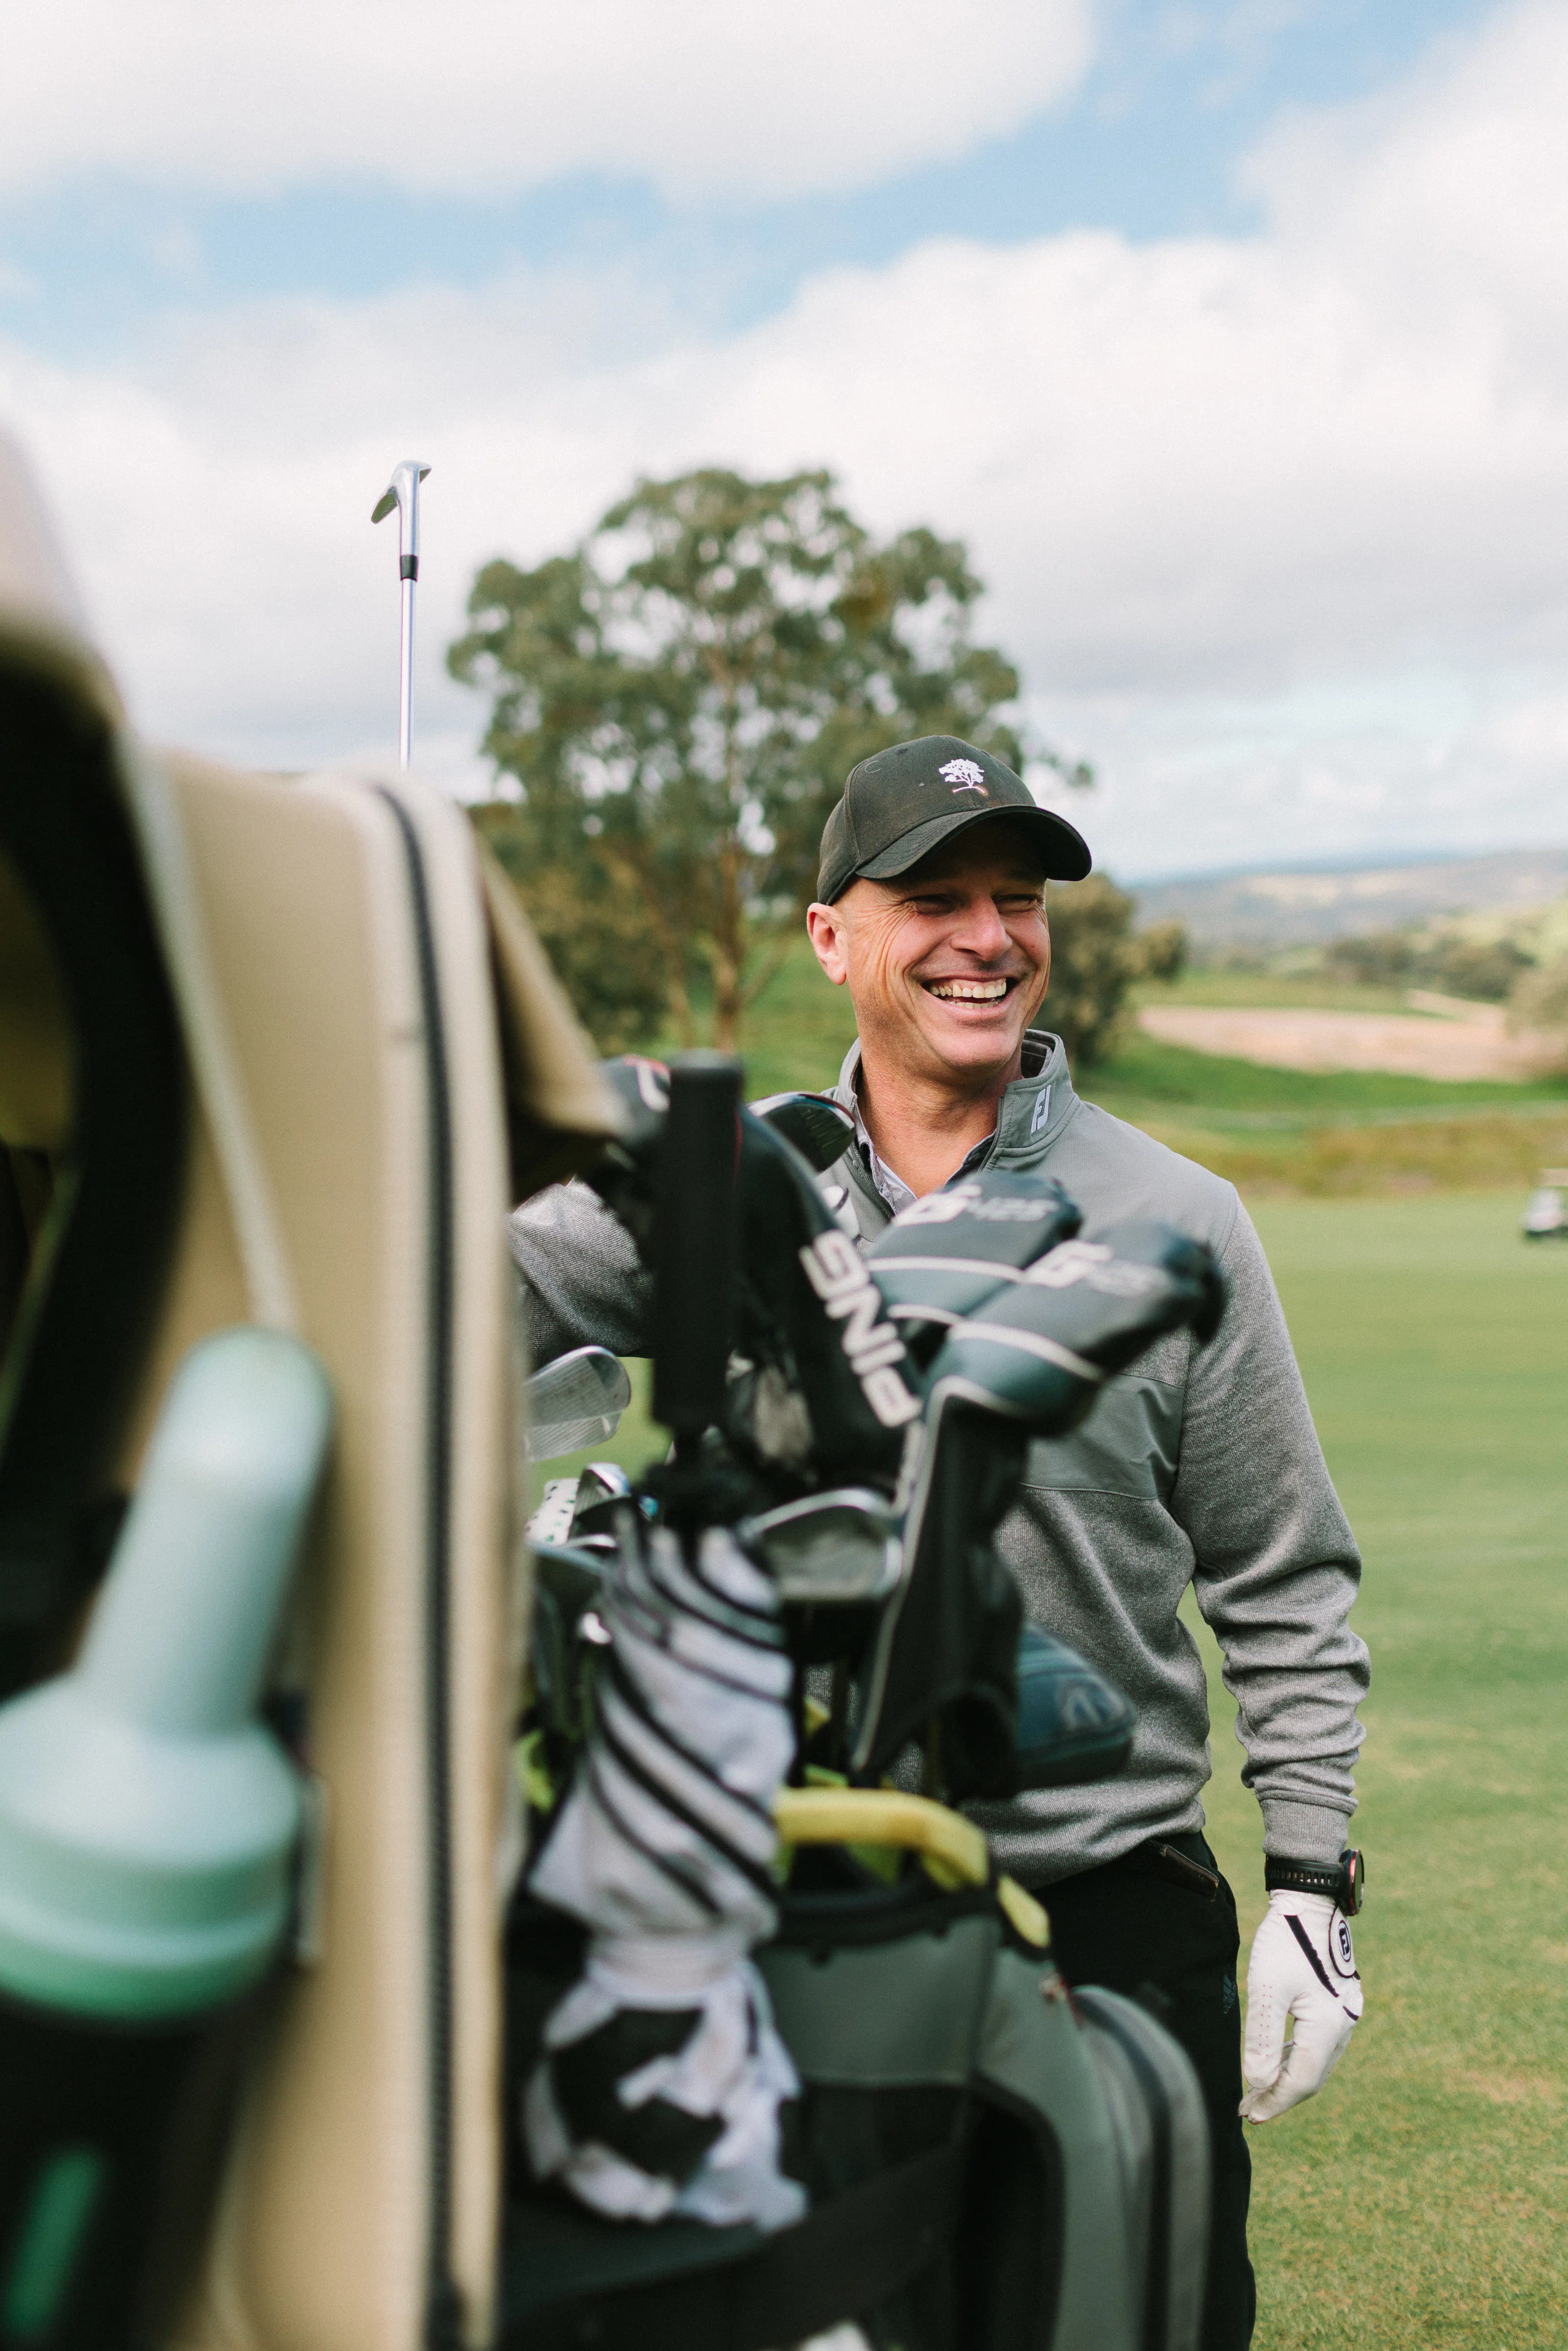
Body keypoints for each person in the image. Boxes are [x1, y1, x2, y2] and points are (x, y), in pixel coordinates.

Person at [510, 734, 1370, 2351]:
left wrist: (1317, 1880)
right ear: (834, 936)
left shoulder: (1180, 1218)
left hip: (1108, 1909)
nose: (989, 936)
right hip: (805, 1901)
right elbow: (444, 1298)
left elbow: (1282, 1570)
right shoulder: (729, 1182)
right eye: (935, 899)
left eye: (1018, 900)